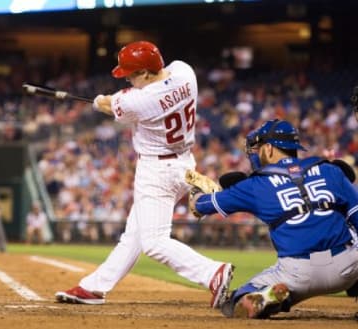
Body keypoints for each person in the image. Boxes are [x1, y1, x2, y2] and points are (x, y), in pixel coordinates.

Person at [55, 40, 234, 308]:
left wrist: (97, 101)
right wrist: (112, 98)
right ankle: (94, 287)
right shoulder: (185, 72)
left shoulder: (142, 100)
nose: (127, 77)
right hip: (183, 164)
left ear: (147, 73)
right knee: (134, 234)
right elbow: (140, 91)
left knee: (153, 242)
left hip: (157, 171)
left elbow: (108, 105)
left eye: (131, 73)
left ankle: (211, 273)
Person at [188, 119, 358, 319]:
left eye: (258, 147)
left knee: (236, 300)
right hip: (348, 267)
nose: (256, 152)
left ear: (269, 149)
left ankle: (267, 297)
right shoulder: (330, 170)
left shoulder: (255, 184)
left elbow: (199, 207)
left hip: (297, 274)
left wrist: (196, 194)